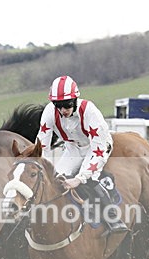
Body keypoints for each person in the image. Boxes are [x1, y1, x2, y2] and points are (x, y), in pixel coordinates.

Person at [37, 75, 126, 234]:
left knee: (89, 179)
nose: (63, 110)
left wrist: (79, 178)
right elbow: (41, 144)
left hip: (96, 147)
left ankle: (113, 218)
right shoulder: (50, 111)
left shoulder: (90, 111)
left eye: (67, 105)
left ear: (75, 100)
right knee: (58, 179)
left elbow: (99, 149)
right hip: (73, 148)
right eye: (58, 105)